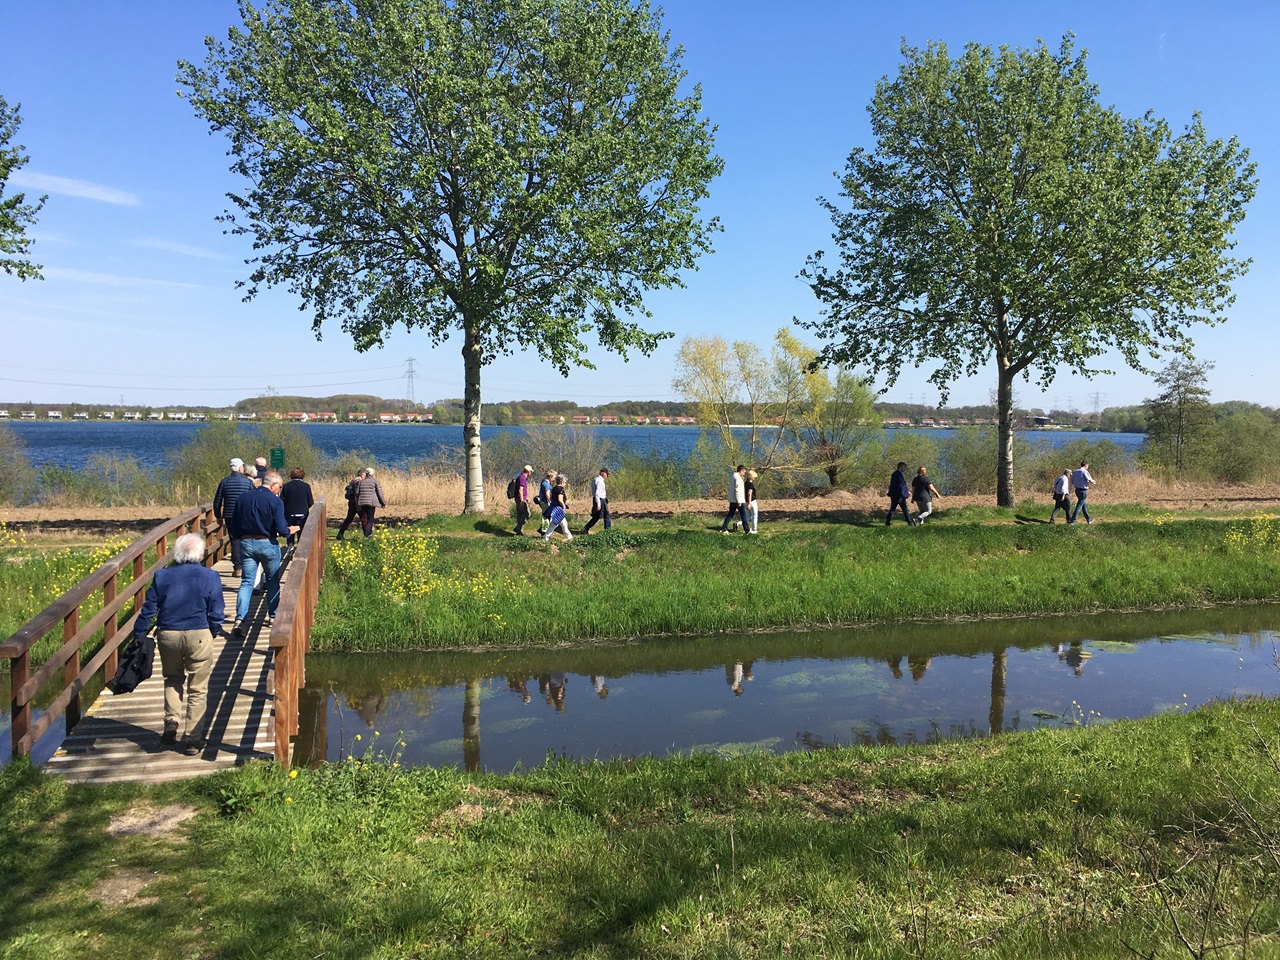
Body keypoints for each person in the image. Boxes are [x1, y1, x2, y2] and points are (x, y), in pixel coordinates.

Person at [132, 532, 224, 756]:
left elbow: (149, 609)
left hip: (168, 634)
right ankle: (193, 739)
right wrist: (213, 631)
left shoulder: (162, 576)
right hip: (199, 633)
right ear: (200, 554)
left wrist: (139, 634)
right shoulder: (210, 576)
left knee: (172, 679)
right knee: (198, 689)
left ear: (177, 553)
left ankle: (171, 723)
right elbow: (216, 610)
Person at [232, 469, 298, 636]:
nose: (279, 490)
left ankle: (240, 619)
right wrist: (289, 531)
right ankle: (273, 616)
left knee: (247, 582)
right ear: (273, 485)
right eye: (280, 487)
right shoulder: (275, 501)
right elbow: (281, 528)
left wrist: (240, 536)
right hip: (268, 543)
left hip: (247, 542)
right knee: (272, 581)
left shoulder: (243, 497)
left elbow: (234, 523)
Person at [212, 457, 253, 576]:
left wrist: (218, 516)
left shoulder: (225, 482)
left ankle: (237, 567)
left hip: (229, 515)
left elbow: (217, 501)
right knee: (245, 539)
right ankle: (246, 565)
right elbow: (252, 500)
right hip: (244, 515)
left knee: (235, 540)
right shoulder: (248, 482)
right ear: (240, 468)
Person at [280, 467, 314, 546]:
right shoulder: (306, 486)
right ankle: (300, 548)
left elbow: (282, 500)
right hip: (302, 514)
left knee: (290, 531)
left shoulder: (286, 486)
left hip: (289, 514)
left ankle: (290, 546)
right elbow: (310, 501)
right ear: (303, 475)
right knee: (301, 532)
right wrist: (305, 508)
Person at [357, 466, 387, 537]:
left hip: (362, 503)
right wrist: (383, 502)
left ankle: (369, 534)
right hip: (371, 503)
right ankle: (367, 534)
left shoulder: (361, 481)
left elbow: (357, 492)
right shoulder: (375, 481)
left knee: (366, 518)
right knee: (370, 519)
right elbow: (380, 493)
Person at [336, 469, 365, 540]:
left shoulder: (353, 481)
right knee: (364, 519)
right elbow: (357, 494)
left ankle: (340, 533)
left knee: (349, 519)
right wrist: (358, 505)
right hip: (357, 503)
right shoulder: (359, 481)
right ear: (362, 475)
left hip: (351, 503)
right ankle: (367, 535)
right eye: (364, 475)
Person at [542, 474, 573, 542]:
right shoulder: (560, 489)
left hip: (554, 507)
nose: (565, 483)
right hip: (558, 508)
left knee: (563, 524)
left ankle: (569, 537)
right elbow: (560, 499)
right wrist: (563, 506)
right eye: (565, 482)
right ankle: (546, 537)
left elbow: (551, 497)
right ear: (562, 482)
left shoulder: (554, 488)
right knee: (554, 524)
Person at [886, 461, 916, 526]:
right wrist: (901, 496)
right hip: (899, 495)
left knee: (892, 509)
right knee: (905, 509)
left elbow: (896, 486)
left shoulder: (894, 474)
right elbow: (900, 486)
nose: (905, 469)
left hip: (894, 495)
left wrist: (907, 492)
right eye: (904, 467)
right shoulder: (899, 475)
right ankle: (910, 523)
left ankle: (887, 522)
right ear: (900, 466)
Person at [582, 467, 611, 533]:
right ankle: (608, 532)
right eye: (606, 474)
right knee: (606, 515)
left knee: (596, 516)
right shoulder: (600, 481)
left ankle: (585, 528)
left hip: (598, 499)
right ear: (603, 473)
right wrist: (599, 504)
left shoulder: (595, 479)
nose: (607, 476)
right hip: (600, 500)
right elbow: (597, 494)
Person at [720, 465, 748, 533]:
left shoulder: (732, 476)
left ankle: (724, 528)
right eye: (744, 472)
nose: (744, 473)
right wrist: (739, 501)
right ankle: (747, 530)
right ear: (741, 471)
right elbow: (737, 490)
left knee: (730, 514)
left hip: (732, 500)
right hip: (738, 500)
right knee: (743, 515)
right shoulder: (738, 478)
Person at [514, 464, 533, 535]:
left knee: (520, 515)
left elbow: (522, 490)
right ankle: (518, 528)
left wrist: (526, 497)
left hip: (520, 498)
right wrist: (522, 500)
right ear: (528, 471)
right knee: (527, 514)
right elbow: (520, 489)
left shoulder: (521, 477)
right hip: (520, 499)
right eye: (530, 471)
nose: (531, 473)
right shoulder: (522, 478)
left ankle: (519, 531)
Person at [537, 469, 555, 534]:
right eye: (553, 478)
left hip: (544, 501)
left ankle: (542, 529)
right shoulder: (546, 484)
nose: (554, 479)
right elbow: (547, 494)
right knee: (546, 516)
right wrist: (550, 501)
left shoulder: (545, 483)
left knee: (547, 516)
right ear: (550, 477)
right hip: (545, 502)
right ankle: (544, 531)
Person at [744, 469, 759, 534]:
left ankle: (738, 523)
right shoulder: (750, 485)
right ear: (752, 477)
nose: (754, 479)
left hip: (745, 501)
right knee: (754, 515)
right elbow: (749, 493)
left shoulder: (745, 483)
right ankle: (754, 529)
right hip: (752, 502)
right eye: (754, 477)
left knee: (747, 516)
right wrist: (750, 503)